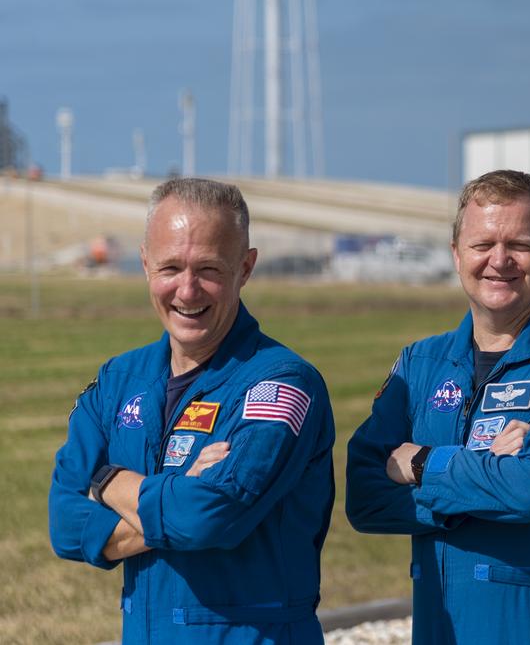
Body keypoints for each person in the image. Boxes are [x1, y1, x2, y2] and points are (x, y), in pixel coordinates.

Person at [346, 169, 530, 645]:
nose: (498, 261)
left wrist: (422, 463)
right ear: (457, 255)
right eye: (482, 244)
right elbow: (364, 496)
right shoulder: (420, 363)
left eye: (518, 245)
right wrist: (488, 475)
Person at [48, 178, 335, 643]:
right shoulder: (120, 380)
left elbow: (209, 517)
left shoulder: (281, 384)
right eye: (170, 267)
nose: (187, 290)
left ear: (246, 267)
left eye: (208, 269)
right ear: (144, 264)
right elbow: (63, 523)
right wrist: (178, 496)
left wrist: (105, 482)